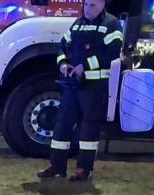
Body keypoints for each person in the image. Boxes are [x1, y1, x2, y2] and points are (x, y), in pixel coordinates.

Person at [37, 0, 123, 181]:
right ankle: (56, 166)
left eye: (92, 5)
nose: (88, 9)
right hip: (72, 84)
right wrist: (62, 63)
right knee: (62, 125)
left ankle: (84, 170)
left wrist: (84, 66)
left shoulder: (111, 24)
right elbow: (62, 46)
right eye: (86, 5)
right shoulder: (78, 24)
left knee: (89, 128)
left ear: (101, 4)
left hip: (94, 86)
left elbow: (112, 53)